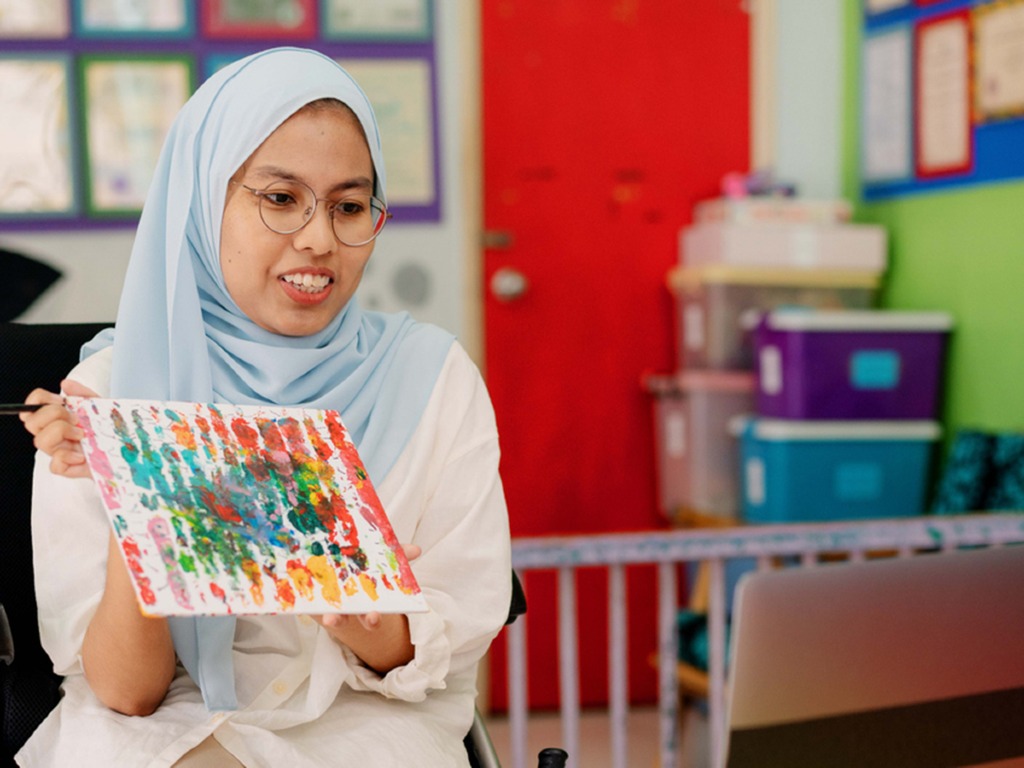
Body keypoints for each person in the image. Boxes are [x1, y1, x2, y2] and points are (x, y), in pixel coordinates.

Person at [17, 47, 511, 767]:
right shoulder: (114, 391)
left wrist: (349, 601)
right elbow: (128, 693)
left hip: (361, 717)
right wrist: (142, 496)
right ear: (201, 196)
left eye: (348, 206)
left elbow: (450, 623)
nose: (318, 240)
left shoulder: (430, 378)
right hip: (166, 725)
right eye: (280, 199)